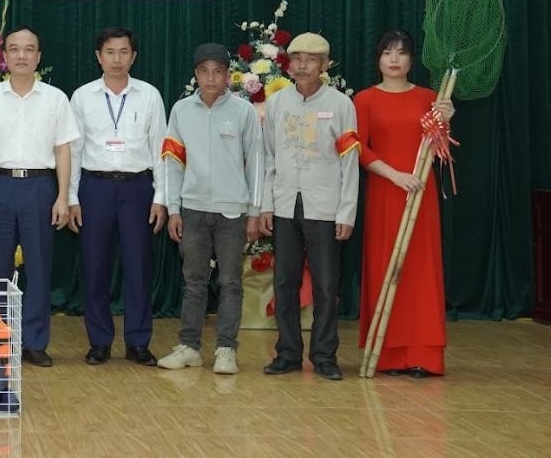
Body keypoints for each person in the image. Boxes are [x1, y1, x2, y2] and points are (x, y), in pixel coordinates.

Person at [0, 26, 80, 368]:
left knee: (39, 266)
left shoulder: (56, 99)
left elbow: (63, 150)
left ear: (38, 56)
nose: (21, 55)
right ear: (4, 56)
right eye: (14, 49)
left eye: (29, 49)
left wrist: (63, 196)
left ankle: (34, 342)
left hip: (40, 188)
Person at [157, 43, 265, 374]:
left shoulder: (244, 111)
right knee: (194, 281)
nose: (210, 78)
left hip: (233, 212)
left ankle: (226, 350)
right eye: (204, 71)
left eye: (217, 71)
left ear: (228, 75)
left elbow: (257, 163)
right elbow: (172, 163)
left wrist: (254, 210)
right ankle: (189, 346)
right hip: (192, 209)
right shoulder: (181, 111)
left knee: (230, 282)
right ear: (196, 74)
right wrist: (173, 208)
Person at [260, 32, 359, 381]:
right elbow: (268, 156)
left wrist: (346, 212)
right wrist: (265, 205)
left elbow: (350, 162)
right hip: (286, 204)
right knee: (284, 281)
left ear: (325, 65)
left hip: (325, 206)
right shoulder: (277, 103)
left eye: (311, 59)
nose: (302, 64)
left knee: (326, 285)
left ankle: (324, 356)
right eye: (296, 57)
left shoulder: (341, 105)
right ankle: (287, 352)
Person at [355, 29, 454, 377]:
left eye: (401, 52)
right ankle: (388, 355)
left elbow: (437, 146)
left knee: (420, 269)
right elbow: (360, 148)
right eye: (387, 52)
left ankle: (423, 353)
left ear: (412, 60)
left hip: (420, 195)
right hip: (386, 192)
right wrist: (394, 175)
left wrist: (446, 119)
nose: (394, 59)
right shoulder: (365, 99)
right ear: (378, 58)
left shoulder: (430, 97)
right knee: (384, 266)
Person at [68, 26, 167, 367]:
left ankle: (139, 341)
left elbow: (161, 150)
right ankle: (99, 341)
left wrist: (161, 197)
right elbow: (74, 151)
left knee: (138, 266)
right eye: (110, 52)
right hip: (94, 188)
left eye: (124, 52)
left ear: (133, 56)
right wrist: (71, 198)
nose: (117, 59)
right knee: (95, 266)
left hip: (138, 188)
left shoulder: (150, 95)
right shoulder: (81, 97)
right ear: (99, 56)